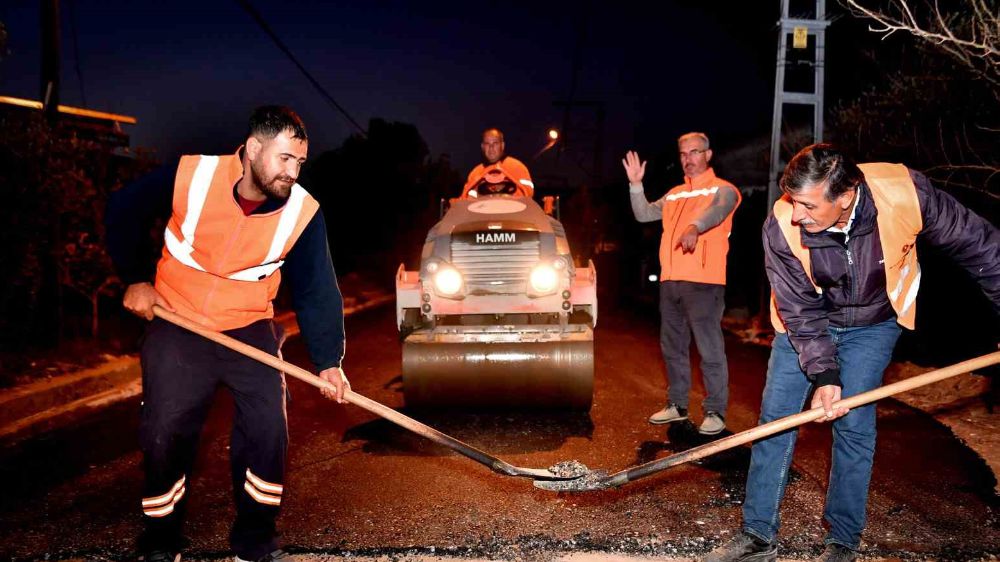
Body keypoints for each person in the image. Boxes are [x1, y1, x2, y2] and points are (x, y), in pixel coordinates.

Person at [705, 144, 1000, 562]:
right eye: (793, 200)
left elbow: (984, 249)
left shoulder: (903, 192)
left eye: (807, 204)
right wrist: (825, 375)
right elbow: (799, 309)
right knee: (776, 420)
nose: (796, 213)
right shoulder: (781, 225)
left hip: (874, 323)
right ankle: (757, 535)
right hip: (802, 325)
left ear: (845, 197)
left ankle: (843, 541)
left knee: (854, 424)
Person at [106, 106, 349, 562]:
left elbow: (318, 289)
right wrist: (135, 278)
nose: (292, 172)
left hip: (248, 324)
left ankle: (254, 541)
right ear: (254, 148)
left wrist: (329, 361)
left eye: (299, 162)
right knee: (164, 429)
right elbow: (123, 208)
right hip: (178, 317)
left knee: (267, 428)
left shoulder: (303, 211)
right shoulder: (193, 174)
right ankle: (161, 541)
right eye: (283, 159)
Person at [623, 132, 741, 435]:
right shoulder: (675, 194)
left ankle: (715, 410)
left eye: (695, 152)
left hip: (704, 282)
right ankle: (677, 405)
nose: (688, 159)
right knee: (672, 346)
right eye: (683, 154)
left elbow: (717, 213)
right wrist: (636, 184)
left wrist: (694, 226)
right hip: (671, 281)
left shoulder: (724, 190)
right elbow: (643, 213)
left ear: (708, 154)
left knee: (709, 348)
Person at [461, 128, 534, 198]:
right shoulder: (475, 173)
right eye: (487, 144)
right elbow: (468, 200)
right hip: (484, 209)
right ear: (482, 147)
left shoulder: (517, 167)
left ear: (502, 145)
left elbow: (528, 194)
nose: (491, 147)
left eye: (495, 143)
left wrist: (502, 197)